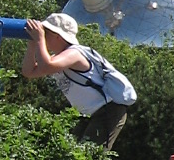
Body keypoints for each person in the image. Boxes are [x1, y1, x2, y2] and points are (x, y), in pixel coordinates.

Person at [21, 13, 136, 151]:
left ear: (58, 36)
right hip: (88, 114)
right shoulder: (58, 58)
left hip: (107, 111)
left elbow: (46, 66)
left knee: (89, 156)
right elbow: (29, 72)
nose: (43, 36)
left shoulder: (75, 53)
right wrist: (32, 45)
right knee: (70, 153)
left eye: (46, 33)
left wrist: (39, 40)